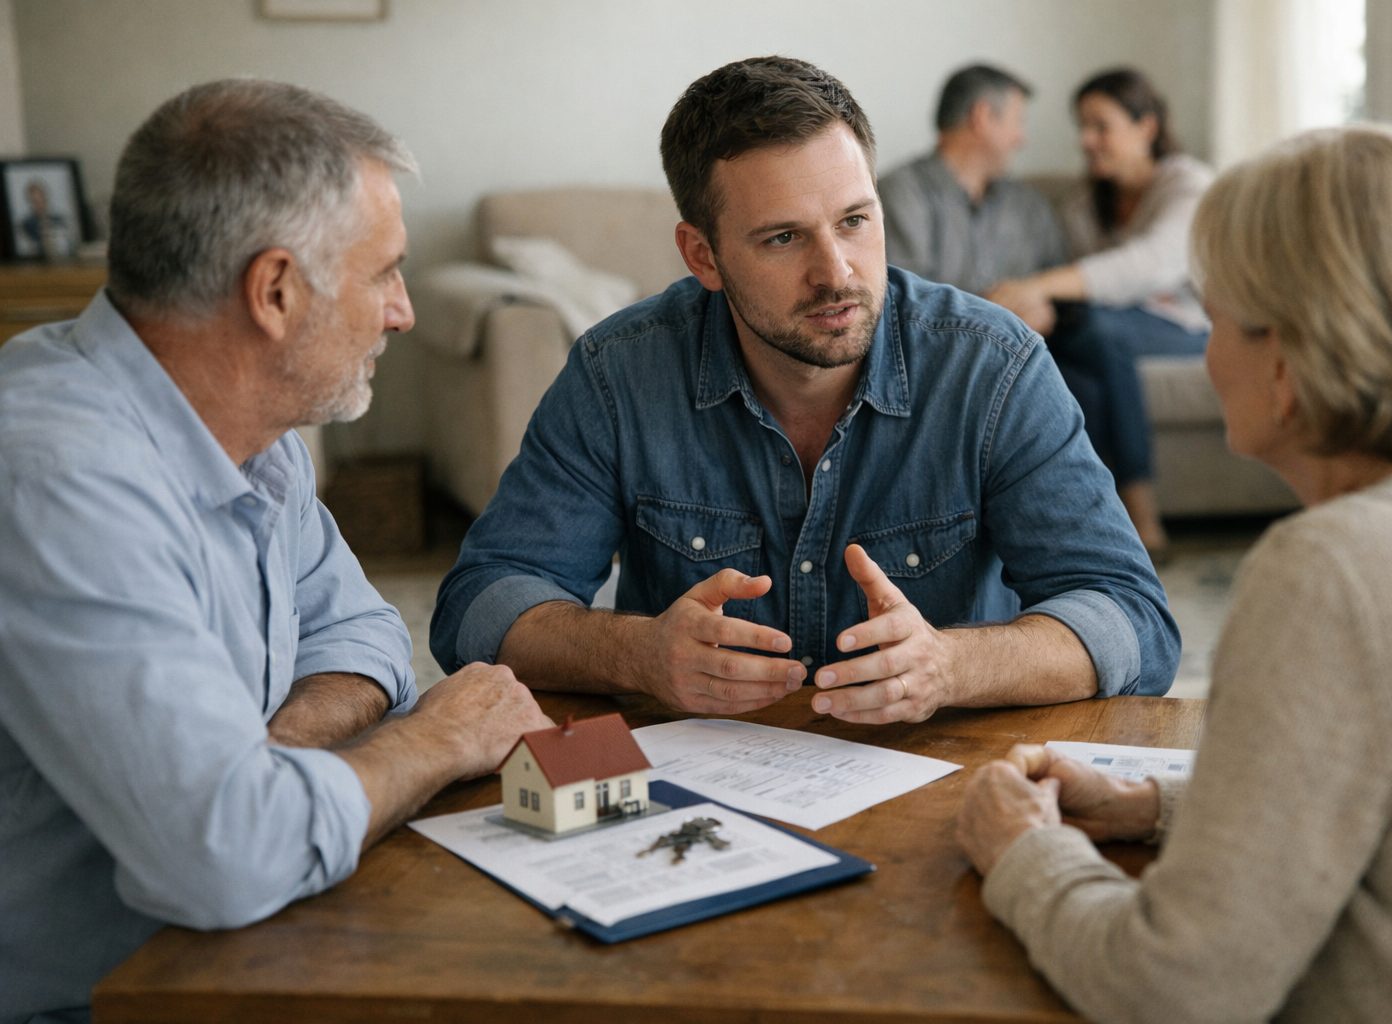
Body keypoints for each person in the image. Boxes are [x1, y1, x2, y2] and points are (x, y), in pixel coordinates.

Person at [0, 80, 553, 1022]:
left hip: (244, 953)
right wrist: (437, 737)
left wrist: (273, 758)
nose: (403, 312)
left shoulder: (257, 439)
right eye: (384, 274)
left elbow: (369, 635)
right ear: (276, 290)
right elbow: (228, 853)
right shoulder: (56, 475)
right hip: (95, 998)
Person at [957, 125, 1392, 1023]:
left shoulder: (1333, 574)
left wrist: (1025, 851)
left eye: (1214, 317)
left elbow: (1172, 989)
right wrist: (1152, 804)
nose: (1208, 352)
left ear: (1288, 358)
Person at [431, 57, 1179, 726]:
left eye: (855, 221)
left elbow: (1135, 623)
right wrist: (637, 653)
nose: (838, 273)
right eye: (783, 238)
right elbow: (479, 605)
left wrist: (950, 667)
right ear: (703, 255)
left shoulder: (993, 366)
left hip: (944, 783)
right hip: (705, 793)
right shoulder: (618, 372)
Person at [988, 68, 1214, 557]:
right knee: (1077, 368)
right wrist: (1040, 305)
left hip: (1186, 329)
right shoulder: (1083, 207)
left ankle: (1142, 514)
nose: (1086, 140)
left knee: (1099, 331)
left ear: (1146, 127)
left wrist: (1034, 288)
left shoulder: (1189, 186)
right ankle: (1089, 520)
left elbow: (1144, 267)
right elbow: (1079, 295)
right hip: (1099, 332)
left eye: (1100, 125)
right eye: (1082, 126)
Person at [880, 64, 1067, 296]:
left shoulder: (1027, 202)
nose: (1022, 139)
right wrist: (996, 317)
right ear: (983, 116)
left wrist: (1046, 308)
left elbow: (1058, 281)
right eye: (1018, 121)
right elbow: (904, 299)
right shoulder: (901, 192)